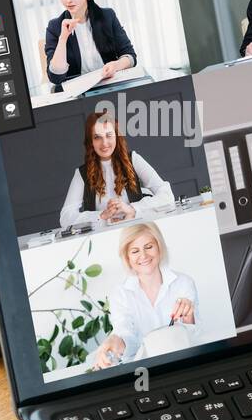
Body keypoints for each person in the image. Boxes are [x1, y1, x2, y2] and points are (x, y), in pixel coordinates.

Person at [93, 222, 198, 369]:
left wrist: (188, 318)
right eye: (135, 251)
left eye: (148, 247)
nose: (143, 255)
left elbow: (193, 337)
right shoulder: (120, 294)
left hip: (183, 364)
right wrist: (117, 341)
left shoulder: (184, 283)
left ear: (159, 247)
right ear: (127, 257)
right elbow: (126, 332)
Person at [59, 111, 174, 228]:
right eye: (97, 137)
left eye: (109, 135)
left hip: (136, 232)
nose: (104, 143)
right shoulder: (82, 173)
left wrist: (132, 209)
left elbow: (167, 196)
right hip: (103, 238)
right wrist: (102, 216)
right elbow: (65, 218)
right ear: (91, 141)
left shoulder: (133, 159)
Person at [43, 0, 136, 90]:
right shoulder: (55, 26)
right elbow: (56, 78)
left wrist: (117, 65)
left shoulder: (107, 16)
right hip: (78, 94)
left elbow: (130, 56)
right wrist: (63, 38)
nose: (68, 0)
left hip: (110, 85)